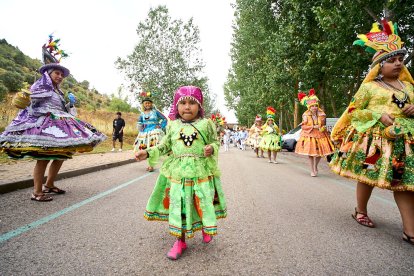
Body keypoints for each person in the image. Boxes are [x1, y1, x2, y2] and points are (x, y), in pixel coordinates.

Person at [330, 20, 414, 245]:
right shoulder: (369, 87)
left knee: (404, 182)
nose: (398, 64)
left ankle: (409, 230)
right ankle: (360, 210)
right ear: (379, 66)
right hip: (376, 142)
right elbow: (354, 110)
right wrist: (378, 116)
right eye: (392, 60)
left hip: (406, 143)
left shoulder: (410, 88)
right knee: (367, 177)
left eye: (400, 60)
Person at [0, 36, 106, 202]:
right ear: (49, 74)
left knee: (61, 155)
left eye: (62, 75)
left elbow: (68, 111)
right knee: (43, 158)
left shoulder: (60, 92)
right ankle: (36, 192)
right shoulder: (39, 86)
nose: (60, 77)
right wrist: (25, 96)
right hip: (45, 127)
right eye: (57, 73)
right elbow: (28, 102)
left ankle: (49, 184)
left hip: (61, 125)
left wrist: (70, 104)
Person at [135, 86, 227, 260]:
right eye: (182, 103)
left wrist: (211, 148)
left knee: (201, 201)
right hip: (177, 172)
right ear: (176, 107)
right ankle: (180, 240)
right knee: (179, 205)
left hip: (200, 170)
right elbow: (164, 146)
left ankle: (205, 227)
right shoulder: (172, 125)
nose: (187, 107)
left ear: (199, 106)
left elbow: (216, 143)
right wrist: (147, 152)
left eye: (192, 103)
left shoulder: (206, 124)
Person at [295, 89, 335, 176]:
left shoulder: (322, 114)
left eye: (316, 106)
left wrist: (324, 128)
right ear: (309, 107)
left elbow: (325, 125)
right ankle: (312, 170)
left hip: (320, 135)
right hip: (310, 135)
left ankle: (315, 166)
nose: (314, 108)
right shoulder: (305, 115)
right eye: (312, 106)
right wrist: (312, 126)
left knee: (319, 154)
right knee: (311, 154)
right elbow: (303, 126)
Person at [133, 91, 167, 172]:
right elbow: (139, 122)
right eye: (146, 103)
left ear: (151, 104)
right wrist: (140, 128)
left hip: (155, 132)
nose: (147, 104)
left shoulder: (155, 112)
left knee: (153, 148)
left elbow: (164, 119)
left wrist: (160, 125)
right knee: (146, 149)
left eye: (149, 103)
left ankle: (151, 165)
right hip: (144, 133)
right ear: (143, 105)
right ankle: (150, 164)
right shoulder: (142, 114)